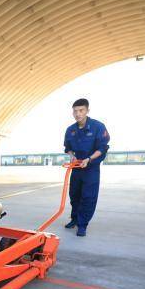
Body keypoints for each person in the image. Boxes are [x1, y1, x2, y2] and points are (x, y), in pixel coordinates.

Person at [63, 98, 110, 237]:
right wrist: (71, 156)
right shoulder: (70, 130)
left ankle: (82, 225)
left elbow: (103, 148)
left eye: (81, 110)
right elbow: (68, 148)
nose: (78, 114)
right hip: (77, 167)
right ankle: (75, 219)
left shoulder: (98, 127)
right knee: (74, 195)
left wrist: (89, 159)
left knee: (88, 197)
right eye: (75, 111)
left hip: (91, 168)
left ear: (87, 111)